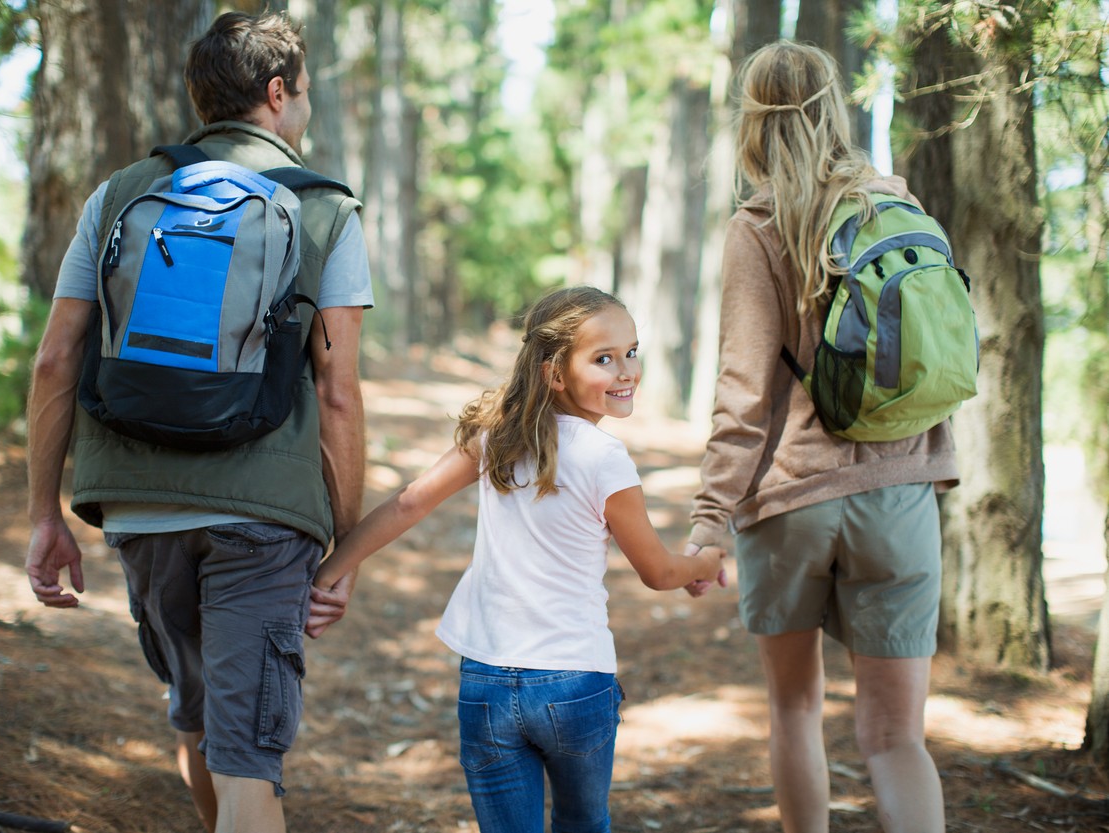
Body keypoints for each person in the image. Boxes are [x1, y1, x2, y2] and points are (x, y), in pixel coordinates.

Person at [23, 12, 371, 833]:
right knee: (249, 757)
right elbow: (339, 392)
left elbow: (54, 361)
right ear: (278, 93)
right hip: (261, 516)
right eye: (305, 92)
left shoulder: (120, 195)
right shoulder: (323, 208)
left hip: (139, 505)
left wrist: (45, 514)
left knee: (196, 713)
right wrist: (345, 544)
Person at [311, 286, 727, 833]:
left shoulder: (496, 436)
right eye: (604, 359)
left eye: (632, 351)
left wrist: (328, 572)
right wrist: (707, 563)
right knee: (582, 822)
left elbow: (410, 502)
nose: (627, 370)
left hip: (486, 680)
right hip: (574, 685)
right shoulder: (606, 458)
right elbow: (658, 572)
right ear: (556, 374)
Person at [685, 41, 960, 833]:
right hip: (898, 492)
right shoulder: (898, 207)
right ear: (835, 106)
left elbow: (742, 391)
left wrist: (710, 519)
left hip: (791, 498)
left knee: (795, 708)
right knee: (896, 736)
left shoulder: (760, 224)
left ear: (756, 118)